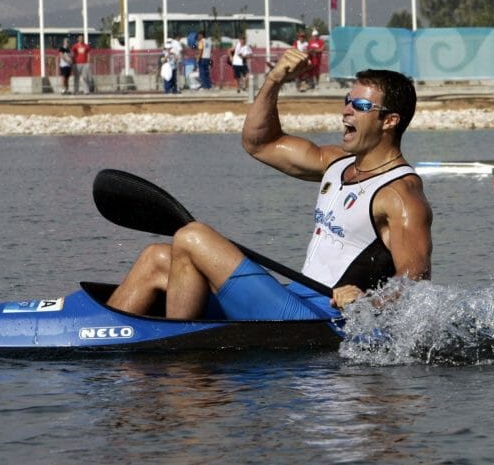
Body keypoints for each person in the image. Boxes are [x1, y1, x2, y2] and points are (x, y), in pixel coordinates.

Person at [107, 52, 433, 320]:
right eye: (348, 100)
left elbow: (414, 278)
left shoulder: (400, 196)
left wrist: (365, 303)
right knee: (157, 258)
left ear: (390, 121)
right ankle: (102, 335)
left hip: (319, 315)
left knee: (191, 237)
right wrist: (275, 79)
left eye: (361, 106)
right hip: (291, 298)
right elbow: (259, 142)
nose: (346, 109)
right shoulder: (335, 163)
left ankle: (178, 353)